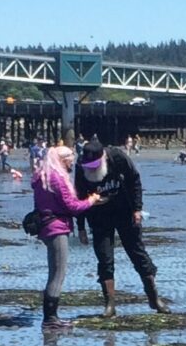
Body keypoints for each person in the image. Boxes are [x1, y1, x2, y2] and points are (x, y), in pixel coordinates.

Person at [76, 137, 167, 316]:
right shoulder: (81, 166)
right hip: (99, 216)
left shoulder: (118, 157)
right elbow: (78, 196)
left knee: (138, 254)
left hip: (125, 212)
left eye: (95, 166)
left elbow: (135, 181)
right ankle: (109, 304)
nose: (92, 170)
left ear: (103, 158)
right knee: (105, 259)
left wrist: (137, 209)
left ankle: (154, 297)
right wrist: (80, 228)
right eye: (89, 167)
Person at [28, 142, 100, 328]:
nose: (71, 165)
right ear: (62, 161)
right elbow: (73, 207)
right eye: (70, 161)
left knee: (54, 271)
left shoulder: (41, 177)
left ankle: (50, 317)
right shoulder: (58, 179)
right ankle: (51, 318)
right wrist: (91, 201)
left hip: (44, 226)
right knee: (58, 273)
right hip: (57, 228)